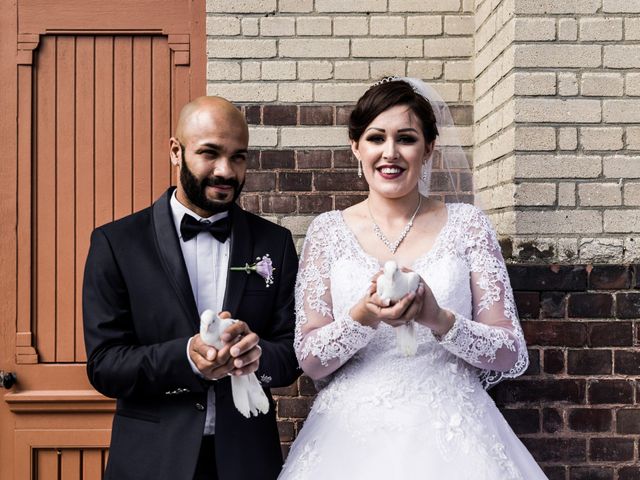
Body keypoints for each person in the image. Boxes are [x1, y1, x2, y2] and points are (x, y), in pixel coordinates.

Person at [279, 78, 547, 480]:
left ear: (429, 148)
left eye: (406, 138)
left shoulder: (468, 225)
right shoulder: (327, 232)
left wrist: (439, 318)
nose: (390, 153)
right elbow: (311, 361)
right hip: (350, 439)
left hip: (454, 432)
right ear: (356, 146)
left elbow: (509, 350)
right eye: (375, 138)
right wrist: (361, 317)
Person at [83, 96, 300, 480]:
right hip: (151, 461)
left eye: (238, 157)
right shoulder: (116, 244)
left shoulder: (276, 242)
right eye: (210, 153)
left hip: (247, 459)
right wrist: (187, 356)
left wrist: (256, 355)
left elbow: (291, 355)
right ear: (175, 152)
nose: (226, 171)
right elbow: (105, 366)